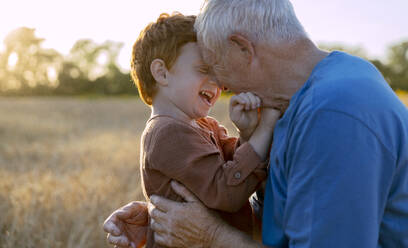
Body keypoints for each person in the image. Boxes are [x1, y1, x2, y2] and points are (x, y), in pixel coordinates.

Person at [104, 0, 408, 247]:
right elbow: (291, 216)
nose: (221, 84)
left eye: (216, 66)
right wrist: (161, 216)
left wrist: (212, 237)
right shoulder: (302, 99)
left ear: (243, 49)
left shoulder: (336, 116)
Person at [127, 12, 279, 248]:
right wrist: (265, 128)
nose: (217, 83)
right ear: (162, 72)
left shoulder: (202, 125)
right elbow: (227, 192)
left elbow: (234, 167)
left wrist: (247, 133)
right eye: (204, 69)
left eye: (219, 74)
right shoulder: (167, 133)